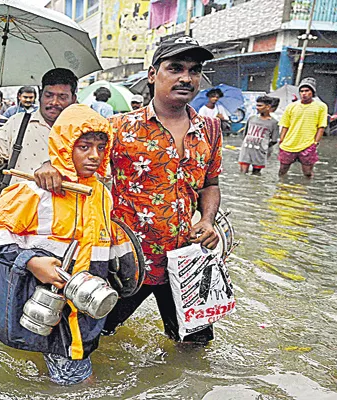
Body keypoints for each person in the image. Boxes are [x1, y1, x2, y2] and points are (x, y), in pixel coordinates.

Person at [35, 36, 223, 344]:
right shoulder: (118, 127)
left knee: (195, 348)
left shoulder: (211, 130)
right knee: (93, 337)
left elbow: (211, 185)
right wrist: (49, 167)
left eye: (194, 70)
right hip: (127, 258)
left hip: (188, 259)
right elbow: (73, 154)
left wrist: (207, 220)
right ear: (152, 75)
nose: (186, 78)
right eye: (175, 68)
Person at [0, 104, 113, 385]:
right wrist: (31, 261)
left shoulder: (101, 194)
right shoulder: (34, 190)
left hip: (84, 301)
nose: (94, 156)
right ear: (64, 146)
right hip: (47, 299)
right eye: (84, 147)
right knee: (78, 381)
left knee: (76, 358)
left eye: (100, 147)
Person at [0, 68, 78, 182]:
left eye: (62, 97)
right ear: (40, 95)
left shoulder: (81, 129)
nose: (54, 102)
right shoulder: (17, 123)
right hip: (20, 198)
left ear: (73, 99)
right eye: (49, 95)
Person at [278, 77, 328, 178]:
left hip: (308, 144)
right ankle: (281, 188)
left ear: (312, 92)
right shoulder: (291, 106)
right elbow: (285, 125)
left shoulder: (321, 107)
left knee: (307, 173)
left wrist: (315, 143)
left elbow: (321, 127)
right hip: (289, 143)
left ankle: (306, 191)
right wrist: (282, 140)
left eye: (307, 91)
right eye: (301, 91)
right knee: (282, 170)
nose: (304, 93)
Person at [238, 96, 279, 175]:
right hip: (246, 148)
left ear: (268, 107)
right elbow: (245, 133)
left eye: (260, 106)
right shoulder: (252, 118)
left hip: (260, 151)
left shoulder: (273, 122)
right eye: (257, 105)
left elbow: (274, 140)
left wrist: (264, 146)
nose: (257, 108)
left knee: (256, 174)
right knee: (243, 173)